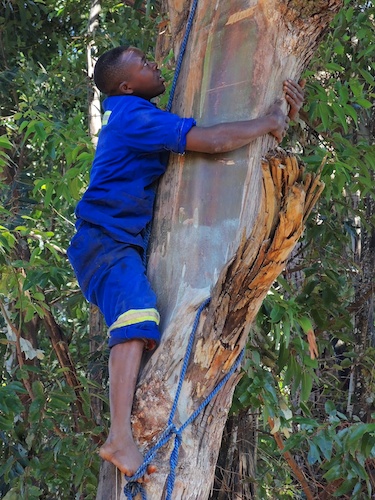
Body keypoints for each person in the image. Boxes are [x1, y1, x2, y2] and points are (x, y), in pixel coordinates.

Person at [67, 45, 305, 481]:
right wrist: (267, 122)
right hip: (104, 241)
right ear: (125, 85)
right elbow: (212, 141)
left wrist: (278, 109)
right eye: (144, 64)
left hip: (118, 242)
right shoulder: (135, 117)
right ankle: (120, 435)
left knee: (139, 316)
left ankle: (122, 431)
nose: (154, 66)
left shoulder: (136, 115)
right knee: (135, 313)